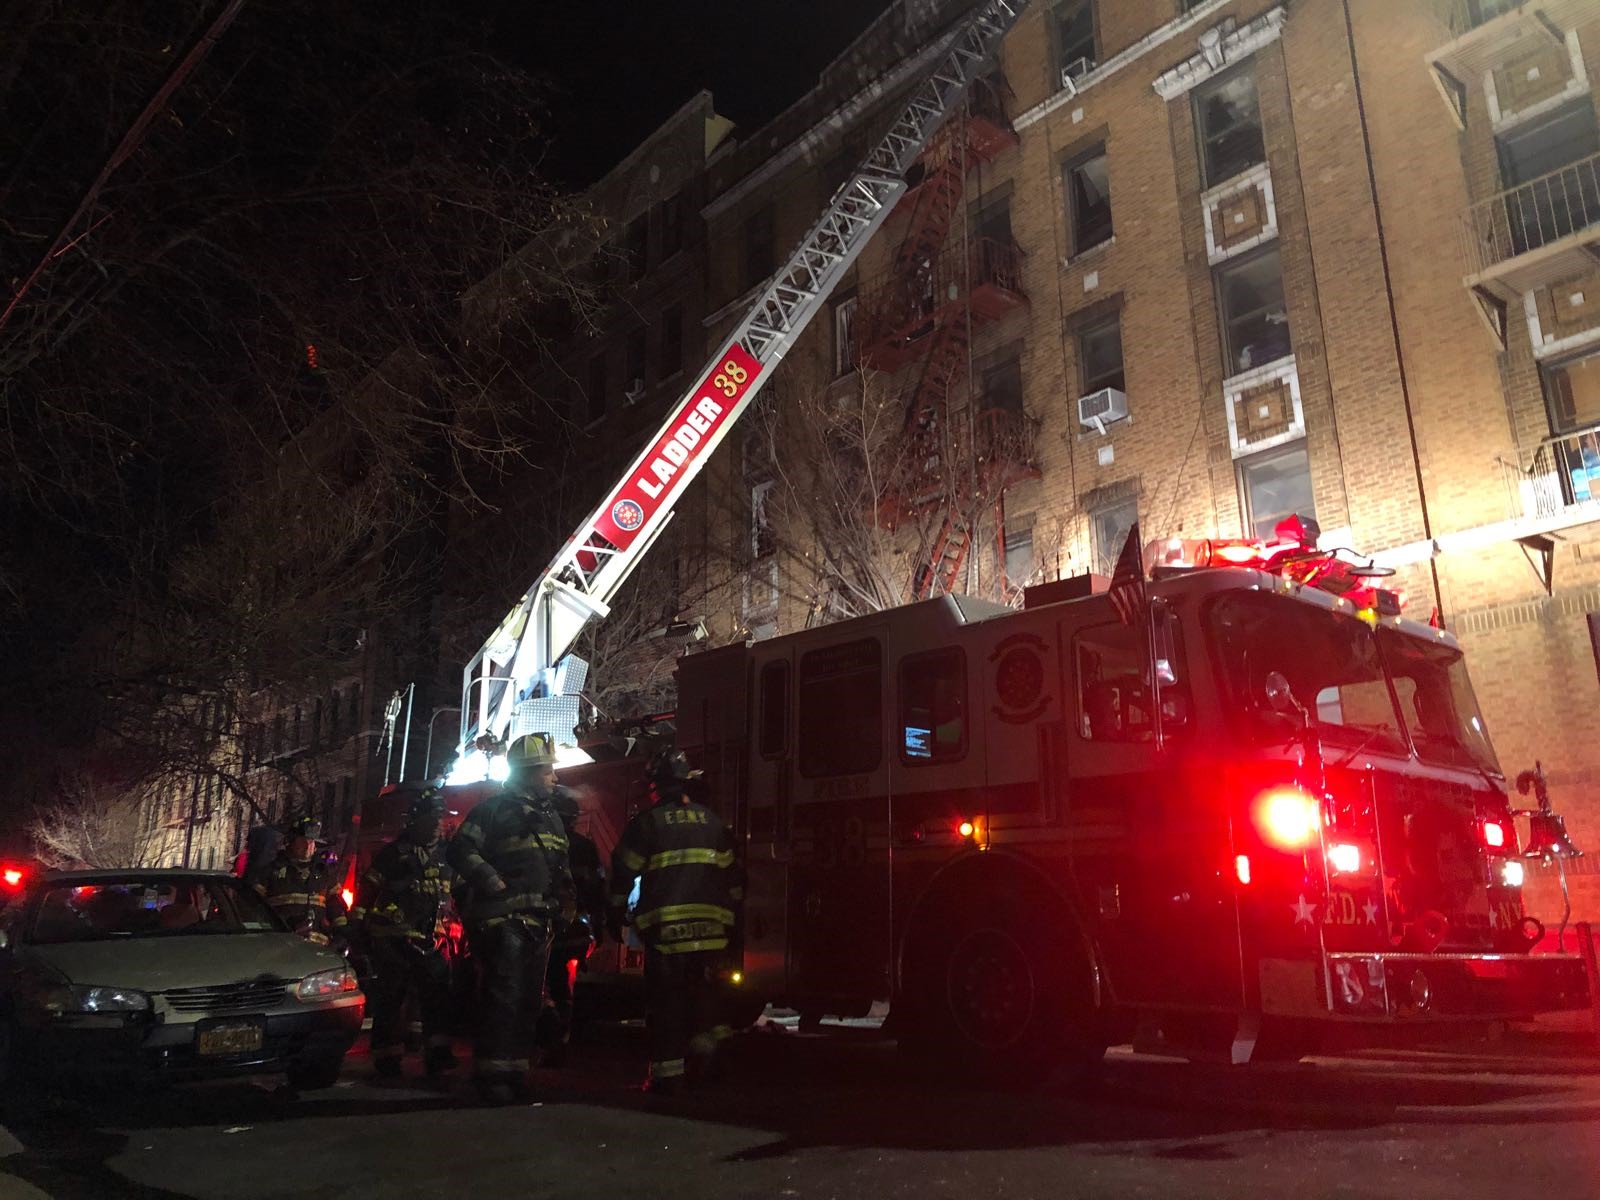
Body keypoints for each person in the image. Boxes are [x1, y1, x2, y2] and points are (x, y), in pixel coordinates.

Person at [607, 748, 742, 1096]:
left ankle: (669, 1077)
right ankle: (711, 1064)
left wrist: (616, 910)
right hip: (711, 935)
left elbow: (623, 872)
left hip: (668, 936)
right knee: (707, 1002)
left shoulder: (647, 824)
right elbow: (734, 879)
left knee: (668, 1004)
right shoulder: (714, 823)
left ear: (656, 786)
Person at [447, 734, 572, 1104]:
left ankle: (514, 1072)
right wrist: (493, 881)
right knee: (505, 998)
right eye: (548, 771)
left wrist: (567, 904)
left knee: (528, 1001)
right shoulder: (493, 810)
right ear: (529, 773)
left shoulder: (552, 821)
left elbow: (560, 869)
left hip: (538, 923)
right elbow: (460, 849)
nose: (554, 778)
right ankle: (492, 1076)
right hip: (503, 921)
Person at [355, 788, 458, 1079]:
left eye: (441, 817)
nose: (440, 823)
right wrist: (360, 929)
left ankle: (438, 1055)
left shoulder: (447, 855)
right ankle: (387, 1058)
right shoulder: (393, 854)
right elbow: (367, 891)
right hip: (394, 938)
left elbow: (456, 894)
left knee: (437, 998)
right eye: (434, 817)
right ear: (417, 820)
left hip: (433, 939)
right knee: (392, 998)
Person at [538, 784, 607, 1067]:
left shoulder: (540, 842)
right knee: (563, 988)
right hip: (573, 932)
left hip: (541, 929)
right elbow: (597, 890)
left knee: (536, 986)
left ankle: (545, 1034)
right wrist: (600, 926)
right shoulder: (586, 847)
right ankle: (560, 1041)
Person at [255, 815, 348, 947]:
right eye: (303, 840)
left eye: (311, 841)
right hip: (279, 946)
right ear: (292, 841)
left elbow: (336, 907)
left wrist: (342, 933)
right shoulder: (271, 871)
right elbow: (253, 909)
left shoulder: (324, 873)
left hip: (317, 949)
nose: (308, 845)